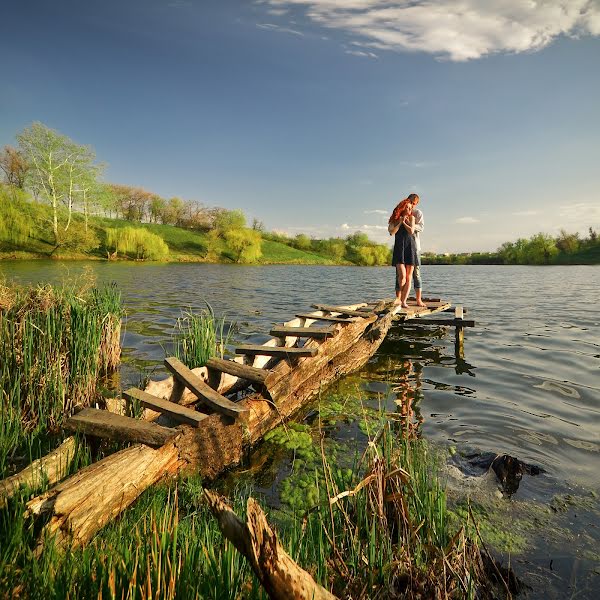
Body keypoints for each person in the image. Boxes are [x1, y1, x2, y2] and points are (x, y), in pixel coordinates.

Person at [388, 194, 418, 307]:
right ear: (402, 207)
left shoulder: (412, 218)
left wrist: (405, 222)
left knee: (409, 277)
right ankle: (399, 298)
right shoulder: (395, 220)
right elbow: (392, 232)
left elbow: (411, 231)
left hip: (410, 247)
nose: (409, 210)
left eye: (411, 208)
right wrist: (400, 222)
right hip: (399, 248)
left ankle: (403, 301)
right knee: (402, 276)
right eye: (407, 207)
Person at [410, 195, 426, 307]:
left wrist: (410, 223)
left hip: (415, 246)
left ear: (417, 203)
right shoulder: (402, 211)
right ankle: (400, 299)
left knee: (416, 273)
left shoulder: (417, 213)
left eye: (414, 202)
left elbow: (421, 227)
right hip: (402, 247)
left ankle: (418, 299)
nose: (412, 204)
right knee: (401, 275)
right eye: (411, 201)